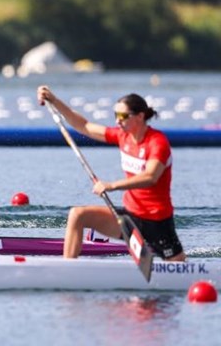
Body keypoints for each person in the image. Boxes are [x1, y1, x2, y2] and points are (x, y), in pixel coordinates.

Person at [37, 85, 185, 261]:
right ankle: (68, 269)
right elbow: (84, 125)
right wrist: (54, 100)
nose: (117, 121)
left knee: (178, 266)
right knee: (77, 215)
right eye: (116, 115)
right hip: (129, 218)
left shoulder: (157, 142)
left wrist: (111, 185)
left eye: (123, 116)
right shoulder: (123, 137)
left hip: (156, 221)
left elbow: (150, 177)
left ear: (140, 116)